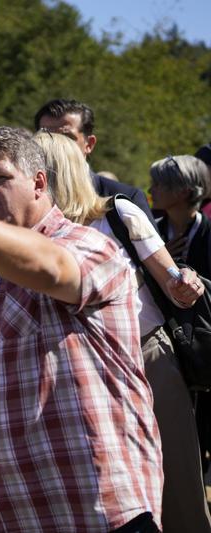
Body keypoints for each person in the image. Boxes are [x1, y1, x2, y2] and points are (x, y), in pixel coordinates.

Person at [0, 127, 163, 531]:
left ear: (39, 183)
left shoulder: (91, 246)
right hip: (3, 510)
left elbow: (52, 269)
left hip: (95, 506)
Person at [35, 131, 211, 532]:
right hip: (78, 373)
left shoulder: (118, 214)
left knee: (178, 483)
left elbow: (173, 284)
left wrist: (185, 284)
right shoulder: (35, 234)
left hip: (147, 359)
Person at [149, 154, 211, 477]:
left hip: (202, 346)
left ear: (185, 190)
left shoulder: (208, 233)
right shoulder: (150, 234)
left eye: (160, 183)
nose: (151, 189)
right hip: (163, 347)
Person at [34, 98, 155, 224]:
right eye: (47, 135)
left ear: (89, 144)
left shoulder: (126, 199)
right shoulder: (24, 195)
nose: (56, 144)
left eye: (67, 137)